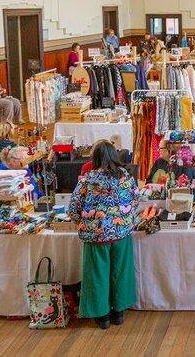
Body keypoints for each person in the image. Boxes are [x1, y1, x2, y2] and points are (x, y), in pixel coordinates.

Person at [68, 140, 138, 329]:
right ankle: (119, 313)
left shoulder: (87, 180)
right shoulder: (126, 177)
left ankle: (103, 317)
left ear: (95, 158)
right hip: (121, 233)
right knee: (121, 272)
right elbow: (135, 200)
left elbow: (73, 208)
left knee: (97, 275)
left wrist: (83, 222)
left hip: (96, 235)